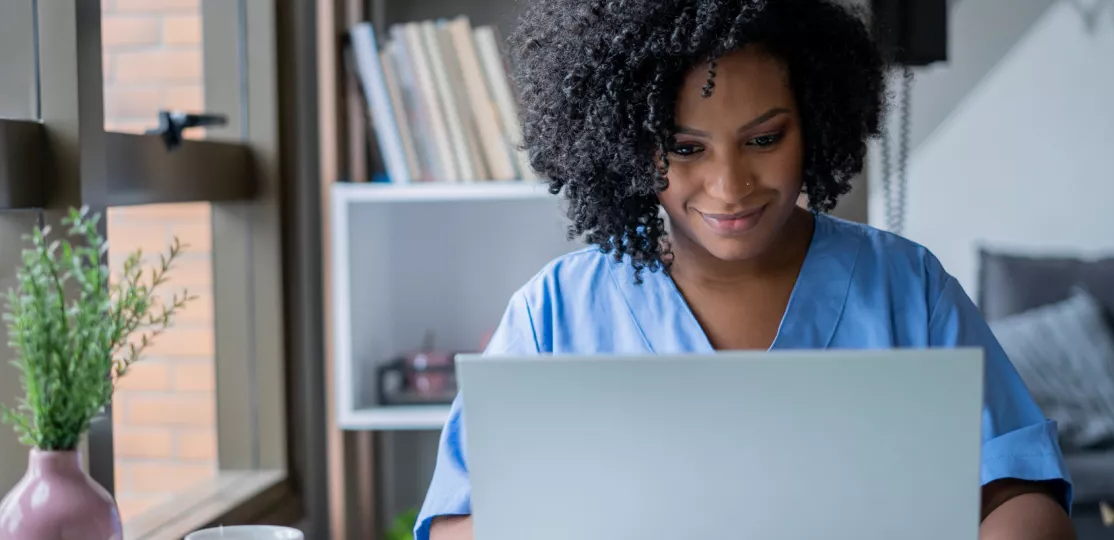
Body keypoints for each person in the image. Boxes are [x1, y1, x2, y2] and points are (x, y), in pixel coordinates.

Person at [416, 0, 1075, 538]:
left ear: (816, 124)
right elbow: (456, 521)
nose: (729, 186)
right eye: (684, 147)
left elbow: (1022, 496)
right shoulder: (554, 312)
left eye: (764, 139)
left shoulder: (907, 287)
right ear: (629, 143)